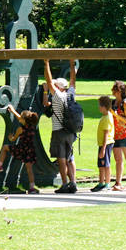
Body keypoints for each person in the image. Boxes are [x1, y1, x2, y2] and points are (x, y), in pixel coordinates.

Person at [43, 59, 78, 193]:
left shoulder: (57, 96)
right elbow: (73, 81)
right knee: (70, 158)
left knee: (62, 159)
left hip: (58, 131)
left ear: (58, 87)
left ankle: (64, 184)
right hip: (70, 132)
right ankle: (73, 182)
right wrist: (71, 64)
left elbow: (49, 79)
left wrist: (46, 63)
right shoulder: (70, 95)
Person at [4, 105, 41, 194]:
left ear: (24, 120)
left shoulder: (20, 129)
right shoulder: (32, 126)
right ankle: (32, 188)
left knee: (5, 147)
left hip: (21, 149)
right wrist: (13, 111)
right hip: (30, 151)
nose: (19, 118)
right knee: (29, 169)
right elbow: (21, 118)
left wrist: (10, 138)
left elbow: (13, 139)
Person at [110, 80, 126, 191]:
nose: (112, 91)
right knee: (118, 159)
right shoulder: (113, 102)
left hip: (125, 134)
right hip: (115, 134)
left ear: (119, 91)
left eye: (114, 89)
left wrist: (116, 116)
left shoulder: (125, 102)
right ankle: (118, 183)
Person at [91, 96, 115, 192]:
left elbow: (106, 134)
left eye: (100, 106)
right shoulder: (105, 116)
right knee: (101, 165)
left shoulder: (107, 118)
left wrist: (103, 149)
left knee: (106, 164)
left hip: (106, 144)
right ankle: (101, 182)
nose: (99, 107)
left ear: (104, 107)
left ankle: (107, 183)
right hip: (102, 144)